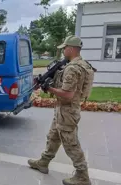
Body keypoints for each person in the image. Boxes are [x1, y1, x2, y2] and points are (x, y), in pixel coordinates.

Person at [28, 35, 96, 185]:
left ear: (71, 49)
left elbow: (68, 94)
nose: (63, 51)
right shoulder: (81, 64)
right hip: (64, 110)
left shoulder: (72, 68)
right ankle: (43, 162)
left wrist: (49, 88)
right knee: (53, 136)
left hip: (67, 111)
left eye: (64, 48)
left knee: (71, 144)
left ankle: (82, 175)